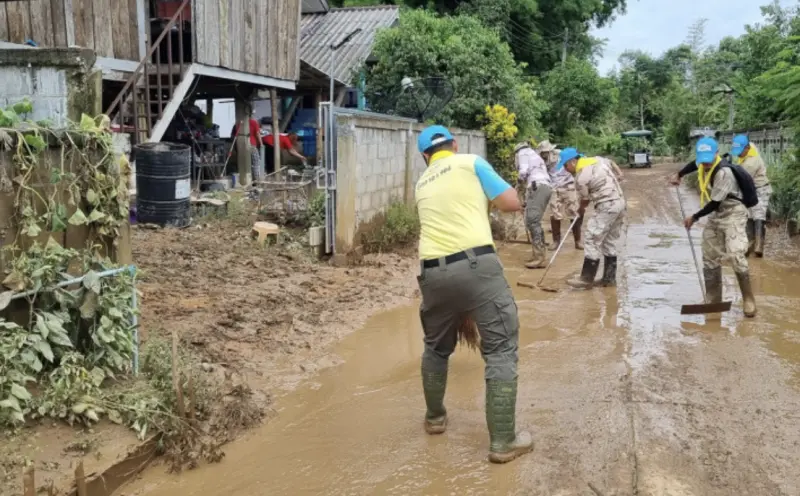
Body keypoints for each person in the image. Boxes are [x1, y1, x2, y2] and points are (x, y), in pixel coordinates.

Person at [414, 125, 532, 464]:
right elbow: (511, 203)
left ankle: (435, 419)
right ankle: (503, 443)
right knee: (500, 350)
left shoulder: (421, 183)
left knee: (436, 348)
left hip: (432, 273)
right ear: (454, 144)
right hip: (476, 266)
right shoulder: (471, 162)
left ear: (426, 157)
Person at [669, 137, 756, 318]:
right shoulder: (703, 161)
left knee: (735, 253)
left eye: (709, 158)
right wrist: (679, 174)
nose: (705, 162)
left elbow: (714, 203)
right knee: (709, 254)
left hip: (733, 212)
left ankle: (749, 300)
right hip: (717, 214)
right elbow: (694, 164)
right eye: (703, 158)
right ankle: (713, 299)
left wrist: (694, 217)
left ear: (716, 154)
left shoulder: (724, 173)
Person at [559, 148, 627, 289]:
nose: (565, 169)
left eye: (565, 165)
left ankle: (586, 278)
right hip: (620, 203)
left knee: (591, 237)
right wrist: (620, 174)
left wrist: (580, 209)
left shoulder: (580, 176)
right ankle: (609, 279)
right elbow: (612, 163)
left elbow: (584, 199)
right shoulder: (598, 160)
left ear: (573, 161)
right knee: (609, 240)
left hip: (607, 205)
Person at [536, 140, 583, 250]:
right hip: (554, 187)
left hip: (568, 185)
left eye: (545, 152)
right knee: (555, 213)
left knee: (573, 212)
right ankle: (556, 241)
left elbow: (575, 163)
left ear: (550, 150)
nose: (544, 155)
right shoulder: (540, 160)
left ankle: (578, 241)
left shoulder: (561, 154)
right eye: (542, 153)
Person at [731, 135, 771, 257]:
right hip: (750, 190)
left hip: (761, 189)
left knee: (758, 215)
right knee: (749, 215)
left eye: (740, 152)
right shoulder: (750, 148)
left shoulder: (752, 162)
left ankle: (759, 246)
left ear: (747, 148)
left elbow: (740, 179)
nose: (738, 155)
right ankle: (749, 244)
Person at [515, 141, 553, 268]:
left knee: (532, 221)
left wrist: (518, 185)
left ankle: (539, 257)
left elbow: (523, 172)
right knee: (533, 220)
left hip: (538, 187)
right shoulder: (534, 155)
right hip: (544, 187)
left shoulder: (523, 153)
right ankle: (539, 254)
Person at [231, 117, 263, 182]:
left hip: (240, 146)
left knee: (242, 163)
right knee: (255, 163)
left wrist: (235, 147)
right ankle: (256, 180)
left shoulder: (238, 123)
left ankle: (243, 180)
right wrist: (261, 143)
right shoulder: (253, 122)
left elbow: (233, 135)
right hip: (252, 145)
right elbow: (257, 134)